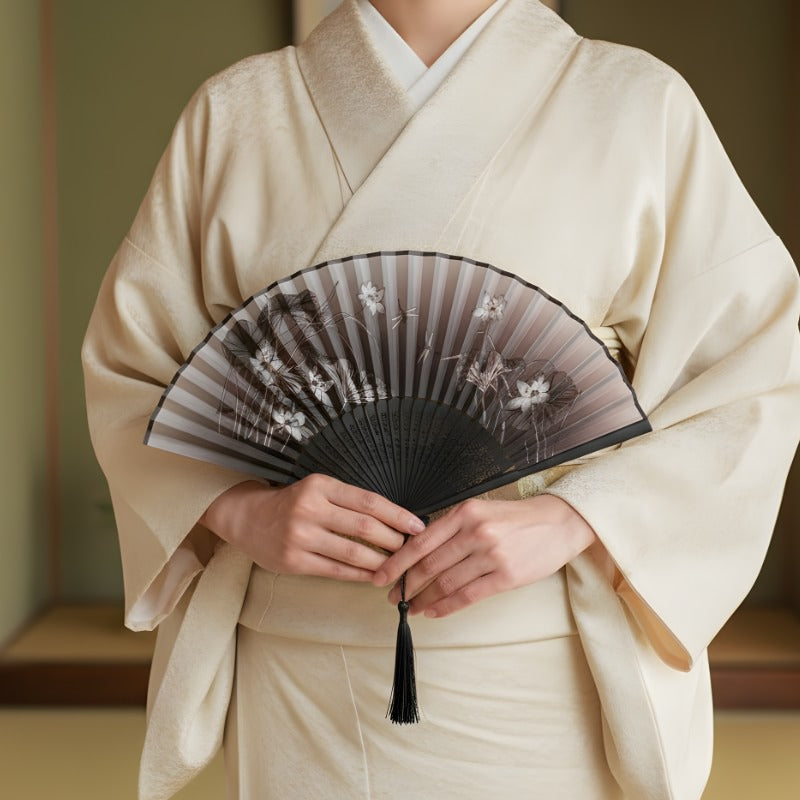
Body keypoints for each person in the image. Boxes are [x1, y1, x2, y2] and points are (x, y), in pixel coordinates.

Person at [82, 1, 800, 798]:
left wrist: (574, 517)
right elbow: (133, 376)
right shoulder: (235, 113)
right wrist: (242, 510)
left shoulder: (637, 102)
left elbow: (753, 371)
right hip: (301, 667)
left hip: (541, 658)